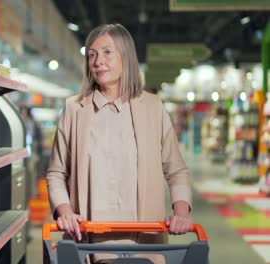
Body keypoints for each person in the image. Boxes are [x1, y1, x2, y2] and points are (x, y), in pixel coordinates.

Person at [45, 24, 192, 263]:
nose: (97, 61)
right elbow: (56, 172)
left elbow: (176, 170)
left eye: (107, 52)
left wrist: (181, 212)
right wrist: (65, 212)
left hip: (146, 240)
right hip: (89, 242)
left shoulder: (153, 108)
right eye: (92, 55)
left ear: (126, 56)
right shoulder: (74, 110)